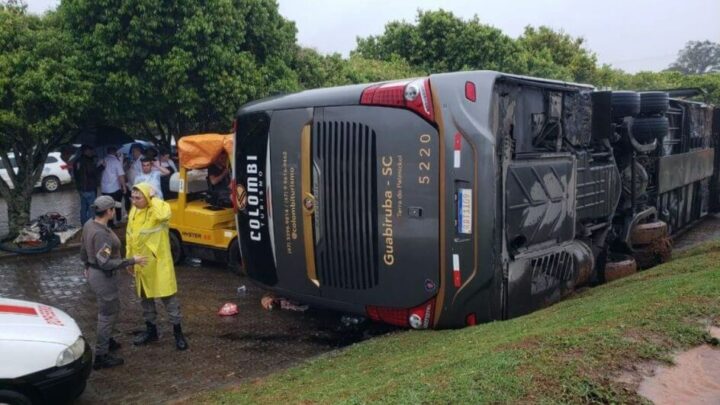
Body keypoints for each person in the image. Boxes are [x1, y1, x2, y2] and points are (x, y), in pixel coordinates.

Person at [80, 195, 146, 369]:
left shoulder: (89, 224)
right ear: (108, 211)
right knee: (107, 315)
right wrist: (132, 260)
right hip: (103, 277)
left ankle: (108, 340)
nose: (115, 211)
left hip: (95, 272)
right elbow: (105, 263)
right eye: (113, 209)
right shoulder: (102, 234)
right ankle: (101, 354)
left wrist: (87, 264)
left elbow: (83, 249)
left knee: (109, 311)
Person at [126, 183, 188, 351]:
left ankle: (178, 333)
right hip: (142, 266)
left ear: (147, 197)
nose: (134, 201)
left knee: (169, 300)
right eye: (132, 197)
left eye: (138, 198)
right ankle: (151, 330)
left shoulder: (158, 208)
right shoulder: (134, 211)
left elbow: (163, 214)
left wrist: (152, 199)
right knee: (146, 301)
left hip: (159, 265)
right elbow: (130, 236)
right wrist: (129, 260)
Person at [99, 146, 126, 227]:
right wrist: (124, 186)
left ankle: (109, 223)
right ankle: (118, 220)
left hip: (104, 188)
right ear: (115, 152)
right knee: (117, 204)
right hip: (115, 188)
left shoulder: (102, 160)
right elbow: (121, 175)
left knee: (107, 206)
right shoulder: (116, 161)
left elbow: (98, 172)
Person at [73, 145, 100, 225]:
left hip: (81, 188)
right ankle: (90, 225)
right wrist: (101, 166)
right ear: (86, 151)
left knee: (84, 207)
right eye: (90, 150)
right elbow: (92, 172)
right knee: (91, 207)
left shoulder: (77, 161)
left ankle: (83, 223)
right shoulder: (87, 161)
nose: (92, 152)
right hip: (89, 187)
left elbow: (75, 174)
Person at [124, 143, 144, 212]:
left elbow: (143, 174)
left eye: (133, 152)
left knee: (138, 204)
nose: (132, 153)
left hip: (139, 187)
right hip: (132, 185)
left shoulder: (142, 160)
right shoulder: (134, 160)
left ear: (138, 151)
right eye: (132, 152)